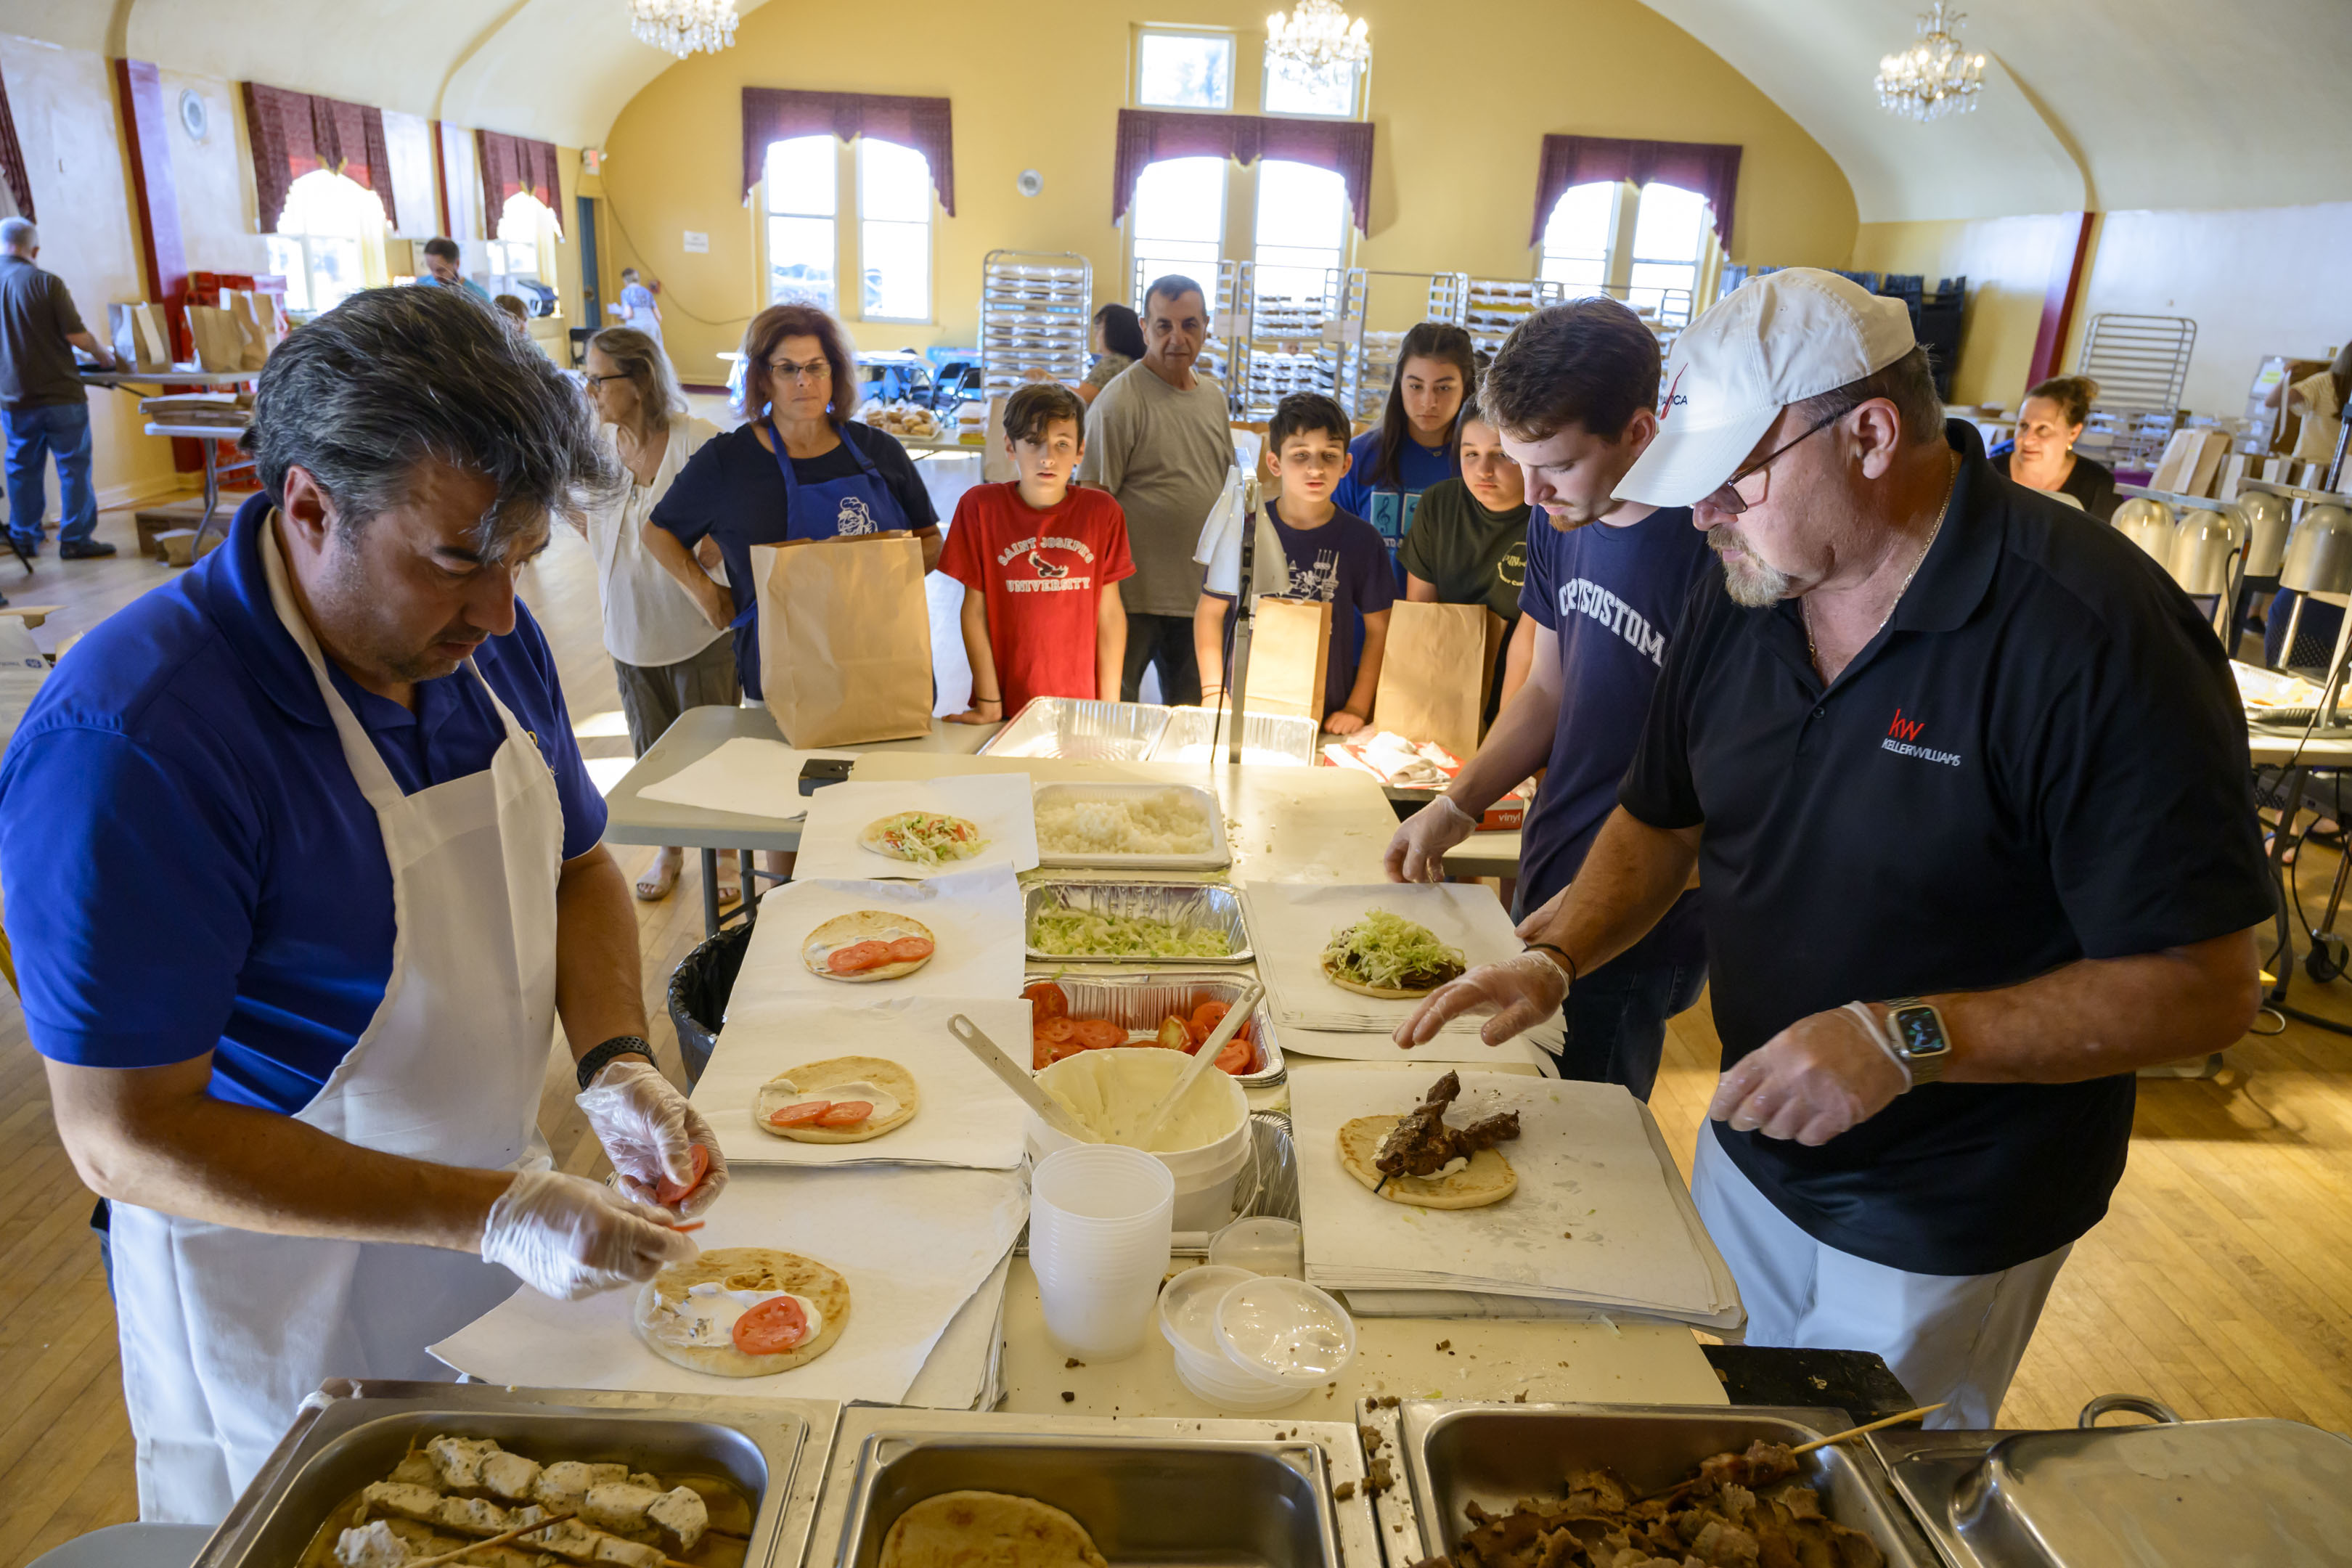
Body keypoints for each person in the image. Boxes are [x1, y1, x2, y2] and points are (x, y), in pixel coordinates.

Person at [1396, 269, 2271, 1428]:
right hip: (1754, 1144)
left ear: (1867, 433)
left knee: (1856, 1492)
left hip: (1950, 1207)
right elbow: (1662, 821)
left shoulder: (2091, 634)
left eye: (1736, 481)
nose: (1703, 515)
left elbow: (2208, 990)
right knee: (1722, 1440)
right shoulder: (1748, 582)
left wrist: (1904, 1039)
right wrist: (1560, 953)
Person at [1, 285, 722, 1521]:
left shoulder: (480, 641)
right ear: (310, 506)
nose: (500, 613)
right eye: (456, 560)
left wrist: (612, 1061)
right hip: (280, 1300)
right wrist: (490, 1211)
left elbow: (576, 865)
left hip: (492, 1238)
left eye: (523, 561)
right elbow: (124, 1136)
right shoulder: (140, 741)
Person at [1387, 298, 1716, 1098]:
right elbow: (1548, 687)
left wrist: (1605, 898)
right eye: (1516, 460)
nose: (1529, 493)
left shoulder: (1710, 550)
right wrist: (1457, 801)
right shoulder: (1559, 517)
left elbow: (1734, 789)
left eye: (1557, 466)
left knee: (1583, 1131)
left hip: (1635, 914)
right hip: (1550, 863)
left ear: (1640, 434)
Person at [644, 303, 942, 706]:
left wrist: (872, 580)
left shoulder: (879, 452)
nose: (804, 381)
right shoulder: (728, 462)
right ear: (763, 380)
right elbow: (658, 531)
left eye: (816, 367)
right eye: (787, 368)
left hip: (879, 659)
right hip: (778, 673)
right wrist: (708, 595)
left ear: (834, 374)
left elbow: (929, 539)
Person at [579, 326, 738, 906]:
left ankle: (720, 852)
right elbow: (576, 510)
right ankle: (670, 848)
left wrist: (717, 548)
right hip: (628, 630)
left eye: (599, 378)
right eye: (587, 377)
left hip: (696, 631)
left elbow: (744, 506)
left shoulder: (697, 440)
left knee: (714, 749)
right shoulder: (598, 450)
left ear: (640, 382)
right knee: (652, 754)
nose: (589, 389)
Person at [1196, 392, 1393, 735]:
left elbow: (1381, 630)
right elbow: (1210, 613)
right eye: (1300, 455)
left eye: (1328, 456)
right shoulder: (1243, 528)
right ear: (1275, 464)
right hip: (1241, 704)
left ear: (1346, 465)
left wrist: (1356, 708)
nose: (1315, 468)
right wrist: (1213, 692)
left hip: (1325, 713)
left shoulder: (1362, 541)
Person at [939, 381, 1133, 724]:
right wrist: (988, 701)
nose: (1047, 457)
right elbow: (974, 611)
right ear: (1010, 448)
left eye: (1062, 444)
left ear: (1080, 451)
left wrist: (1110, 708)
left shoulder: (1102, 512)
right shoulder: (980, 508)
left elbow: (1110, 614)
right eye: (1033, 442)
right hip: (1007, 700)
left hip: (1082, 705)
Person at [1080, 275, 1233, 706]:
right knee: (1112, 721)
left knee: (1192, 727)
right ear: (1145, 328)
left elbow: (1221, 486)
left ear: (1207, 326)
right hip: (1133, 600)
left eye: (1189, 324)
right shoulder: (1119, 401)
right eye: (1164, 326)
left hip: (1199, 599)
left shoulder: (1214, 400)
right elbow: (1093, 503)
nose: (1177, 338)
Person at [1398, 407, 1536, 721]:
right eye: (1470, 454)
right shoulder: (1438, 503)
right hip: (1444, 680)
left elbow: (1531, 644)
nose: (1483, 470)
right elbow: (1421, 611)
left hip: (1525, 690)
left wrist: (1503, 739)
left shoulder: (1547, 518)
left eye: (1501, 455)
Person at [1, 216, 119, 563]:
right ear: (34, 249)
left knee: (22, 468)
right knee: (73, 466)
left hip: (13, 398)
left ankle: (24, 538)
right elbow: (77, 337)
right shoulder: (44, 282)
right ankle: (76, 539)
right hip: (60, 395)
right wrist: (105, 357)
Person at [1335, 321, 1476, 573]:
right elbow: (1333, 549)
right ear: (1399, 384)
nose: (1428, 402)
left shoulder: (1482, 464)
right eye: (1416, 386)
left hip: (1448, 613)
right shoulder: (1359, 457)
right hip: (1364, 613)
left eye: (1444, 388)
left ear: (1466, 386)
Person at [1993, 375, 2116, 521]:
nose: (2027, 440)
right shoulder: (1989, 473)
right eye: (2023, 426)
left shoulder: (2098, 486)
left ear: (2073, 433)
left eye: (2043, 428)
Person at [1077, 302, 1146, 407]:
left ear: (1114, 332)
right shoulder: (1132, 362)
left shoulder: (1114, 362)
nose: (1095, 334)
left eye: (1099, 328)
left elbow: (1079, 397)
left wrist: (1046, 378)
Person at [417, 236, 491, 301]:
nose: (435, 276)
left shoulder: (480, 297)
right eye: (431, 269)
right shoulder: (421, 288)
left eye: (441, 270)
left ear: (457, 263)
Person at [616, 267, 663, 348]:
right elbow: (659, 317)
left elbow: (629, 314)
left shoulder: (626, 292)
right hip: (653, 327)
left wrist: (621, 316)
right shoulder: (648, 292)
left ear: (625, 280)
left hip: (637, 328)